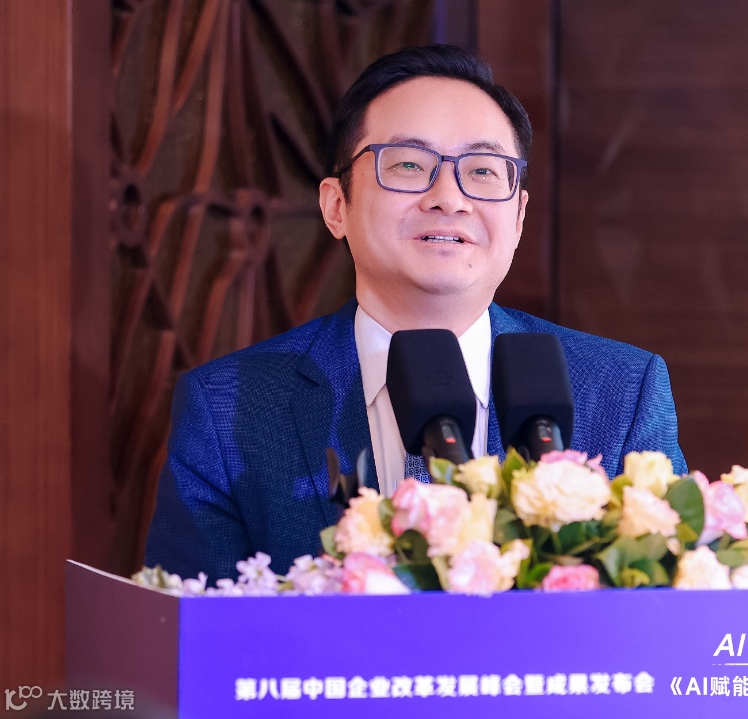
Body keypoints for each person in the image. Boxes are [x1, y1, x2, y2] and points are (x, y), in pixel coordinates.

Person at [144, 45, 686, 582]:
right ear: (336, 206)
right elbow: (190, 627)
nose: (449, 197)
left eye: (483, 170)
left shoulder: (620, 390)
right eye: (408, 164)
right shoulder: (228, 408)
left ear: (519, 216)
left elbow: (670, 608)